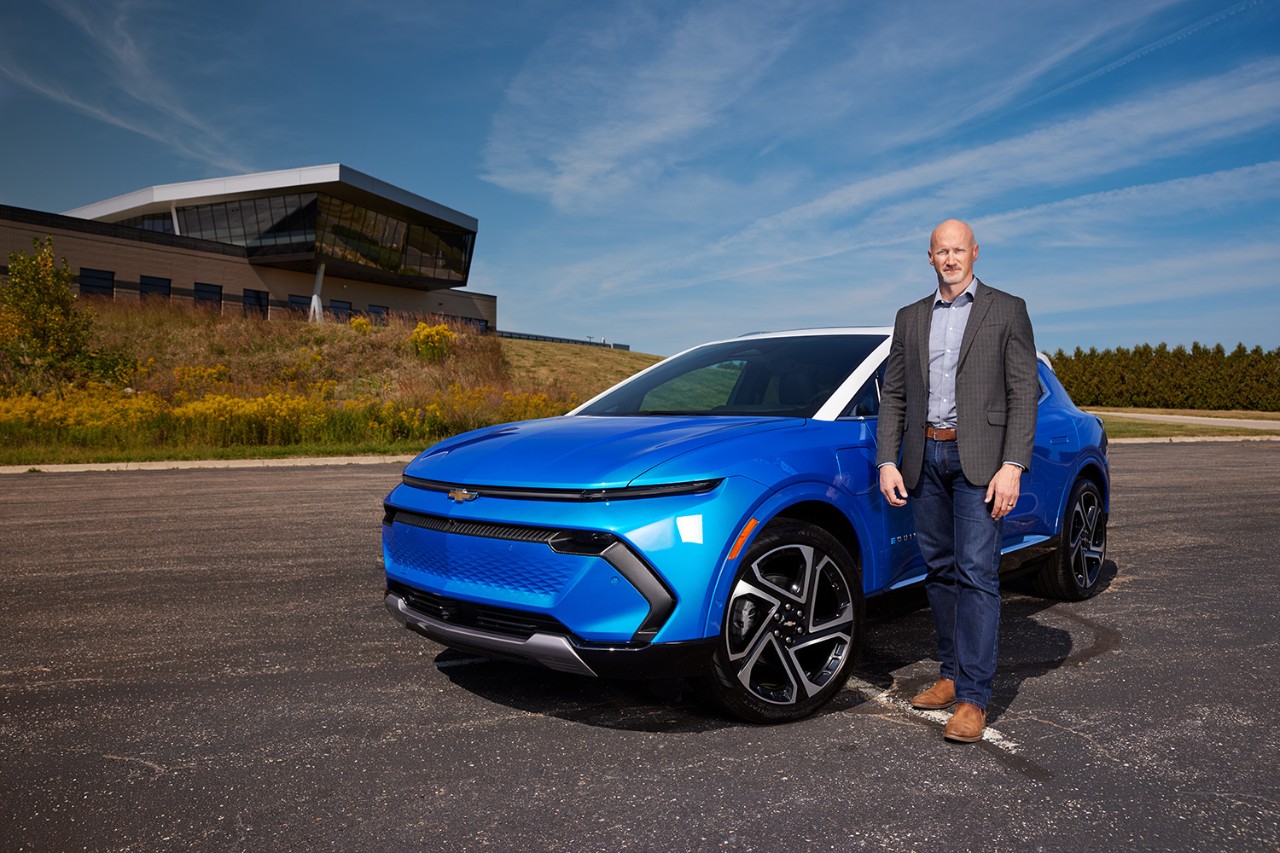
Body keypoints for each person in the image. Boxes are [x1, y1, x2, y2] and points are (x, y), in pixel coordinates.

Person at [875, 219, 1039, 743]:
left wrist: (1013, 465)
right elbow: (894, 396)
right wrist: (887, 460)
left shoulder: (1007, 309)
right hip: (925, 458)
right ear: (929, 257)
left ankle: (973, 697)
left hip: (982, 464)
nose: (950, 259)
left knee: (976, 573)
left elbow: (1022, 393)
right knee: (940, 571)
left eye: (958, 250)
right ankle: (950, 673)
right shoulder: (910, 318)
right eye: (940, 252)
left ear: (975, 253)